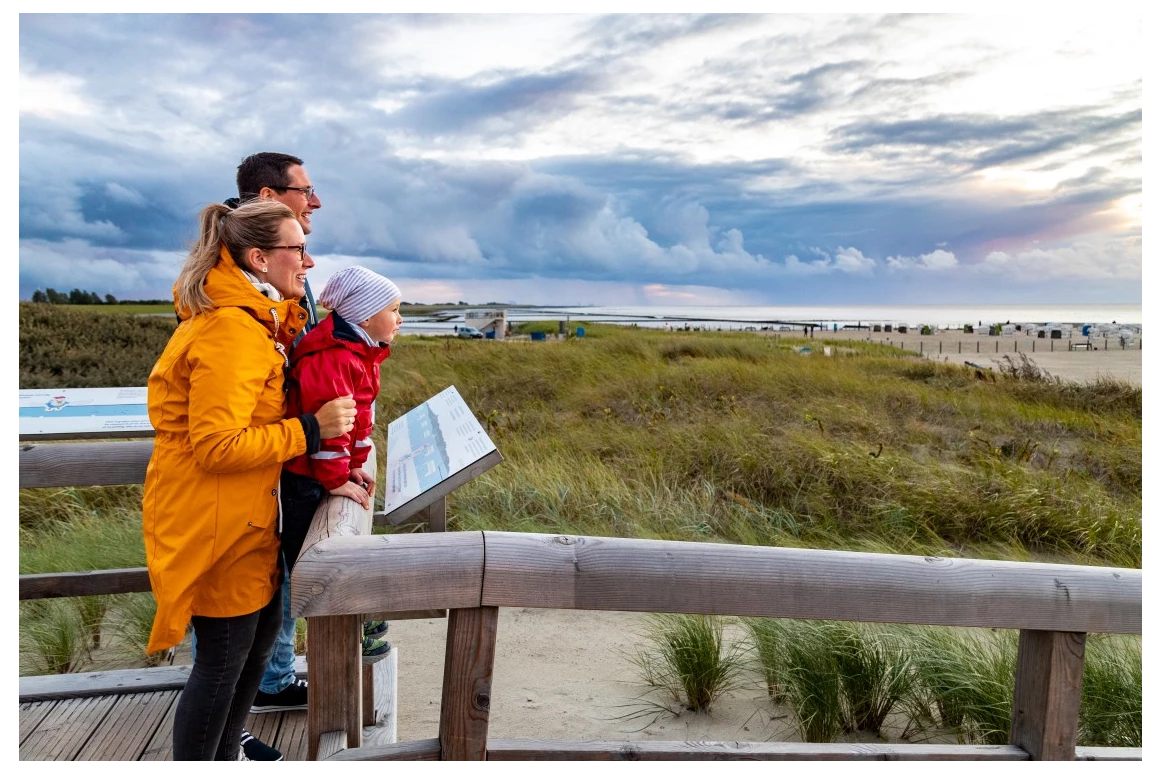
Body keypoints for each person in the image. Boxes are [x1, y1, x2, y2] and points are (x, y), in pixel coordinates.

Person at [143, 198, 357, 760]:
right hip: (217, 524)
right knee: (220, 665)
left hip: (245, 518)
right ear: (260, 259)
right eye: (298, 250)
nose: (307, 263)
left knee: (254, 652)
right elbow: (217, 447)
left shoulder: (252, 321)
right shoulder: (231, 333)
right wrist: (311, 430)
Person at [279, 266, 403, 664]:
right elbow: (331, 428)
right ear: (365, 316)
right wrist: (335, 479)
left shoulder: (361, 350)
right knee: (305, 565)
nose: (400, 319)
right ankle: (348, 629)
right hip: (302, 480)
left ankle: (356, 618)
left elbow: (359, 418)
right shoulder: (333, 357)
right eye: (394, 309)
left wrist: (352, 465)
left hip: (319, 474)